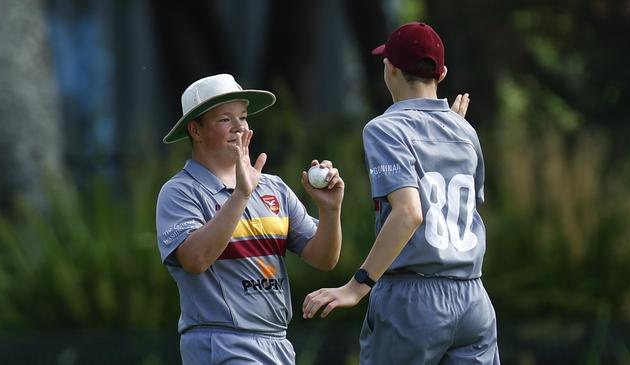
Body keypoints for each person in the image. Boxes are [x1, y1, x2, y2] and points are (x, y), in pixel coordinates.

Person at [302, 22, 500, 364]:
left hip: (414, 301)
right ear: (442, 74)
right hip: (474, 300)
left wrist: (357, 285)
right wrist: (450, 126)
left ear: (390, 68)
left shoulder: (384, 128)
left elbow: (409, 213)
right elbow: (456, 210)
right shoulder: (465, 130)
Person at [156, 74, 345, 364]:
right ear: (195, 130)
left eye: (243, 117)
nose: (239, 127)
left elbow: (323, 258)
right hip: (221, 343)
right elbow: (195, 260)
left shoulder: (274, 188)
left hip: (278, 343)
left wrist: (330, 211)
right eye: (224, 119)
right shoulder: (180, 192)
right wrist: (242, 194)